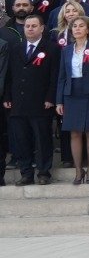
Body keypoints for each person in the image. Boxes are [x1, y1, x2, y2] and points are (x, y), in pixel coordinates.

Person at [6, 14, 58, 184]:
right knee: (21, 141)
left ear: (42, 28)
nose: (30, 29)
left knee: (42, 140)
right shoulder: (15, 48)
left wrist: (51, 97)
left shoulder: (51, 48)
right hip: (18, 103)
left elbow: (54, 76)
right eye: (27, 26)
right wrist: (7, 96)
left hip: (41, 103)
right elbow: (9, 75)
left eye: (34, 26)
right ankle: (26, 173)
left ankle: (43, 173)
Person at [55, 16, 89, 185]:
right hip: (71, 93)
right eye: (74, 26)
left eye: (81, 26)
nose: (77, 29)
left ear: (88, 30)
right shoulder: (66, 50)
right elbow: (61, 76)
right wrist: (59, 101)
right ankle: (78, 170)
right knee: (74, 132)